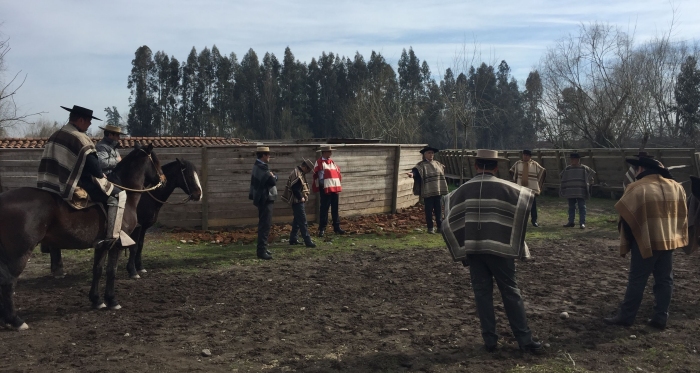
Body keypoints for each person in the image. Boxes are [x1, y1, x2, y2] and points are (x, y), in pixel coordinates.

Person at [442, 149, 544, 355]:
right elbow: (526, 200)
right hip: (500, 249)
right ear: (496, 167)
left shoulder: (461, 191)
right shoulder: (510, 189)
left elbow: (447, 220)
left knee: (482, 294)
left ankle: (489, 340)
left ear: (476, 166)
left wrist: (463, 243)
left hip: (474, 249)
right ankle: (524, 339)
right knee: (511, 292)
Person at [604, 156, 687, 329]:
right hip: (669, 240)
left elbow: (625, 217)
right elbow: (682, 215)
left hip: (645, 240)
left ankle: (626, 317)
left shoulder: (636, 188)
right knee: (665, 280)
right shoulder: (677, 187)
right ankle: (660, 317)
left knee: (637, 280)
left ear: (641, 169)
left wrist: (629, 240)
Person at [37, 105, 128, 247]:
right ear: (80, 120)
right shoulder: (80, 138)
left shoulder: (56, 134)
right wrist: (100, 173)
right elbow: (96, 169)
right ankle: (113, 238)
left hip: (50, 183)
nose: (90, 123)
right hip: (74, 184)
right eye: (89, 120)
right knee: (119, 195)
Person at [408, 145, 449, 233]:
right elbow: (416, 171)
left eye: (432, 153)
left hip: (438, 191)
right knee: (429, 211)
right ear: (424, 154)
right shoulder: (421, 165)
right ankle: (430, 228)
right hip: (428, 192)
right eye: (429, 153)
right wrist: (412, 174)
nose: (431, 155)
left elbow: (442, 170)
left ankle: (440, 227)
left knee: (438, 210)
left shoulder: (438, 164)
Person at [248, 146, 278, 260]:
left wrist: (273, 176)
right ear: (263, 155)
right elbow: (272, 181)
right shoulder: (261, 167)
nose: (269, 156)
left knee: (265, 224)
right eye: (268, 154)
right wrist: (274, 176)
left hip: (263, 199)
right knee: (264, 225)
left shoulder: (259, 166)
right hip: (265, 199)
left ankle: (263, 248)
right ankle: (261, 251)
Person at [282, 158, 316, 248]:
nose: (308, 172)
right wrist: (301, 197)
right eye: (308, 169)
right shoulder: (297, 174)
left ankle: (293, 239)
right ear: (305, 167)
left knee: (297, 220)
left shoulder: (298, 172)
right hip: (297, 201)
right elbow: (295, 188)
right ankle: (308, 241)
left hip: (297, 201)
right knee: (303, 221)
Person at [312, 145, 345, 237]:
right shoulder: (319, 162)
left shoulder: (332, 162)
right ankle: (322, 228)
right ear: (324, 152)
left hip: (334, 188)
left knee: (335, 208)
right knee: (324, 208)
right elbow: (317, 175)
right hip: (325, 188)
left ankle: (336, 227)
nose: (331, 153)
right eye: (329, 152)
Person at [509, 150, 546, 227]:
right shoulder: (518, 163)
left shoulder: (534, 164)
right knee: (520, 205)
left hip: (531, 188)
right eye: (524, 155)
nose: (525, 157)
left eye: (527, 155)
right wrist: (515, 180)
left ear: (530, 156)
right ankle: (520, 221)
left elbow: (542, 171)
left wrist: (538, 183)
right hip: (521, 187)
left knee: (533, 205)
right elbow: (512, 171)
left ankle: (534, 220)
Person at [560, 152, 596, 229]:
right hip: (570, 191)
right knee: (571, 207)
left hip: (581, 191)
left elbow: (591, 177)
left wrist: (588, 184)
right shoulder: (568, 169)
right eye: (571, 159)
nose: (572, 161)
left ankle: (582, 223)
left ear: (578, 160)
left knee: (582, 207)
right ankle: (571, 222)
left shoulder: (584, 168)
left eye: (574, 159)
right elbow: (563, 178)